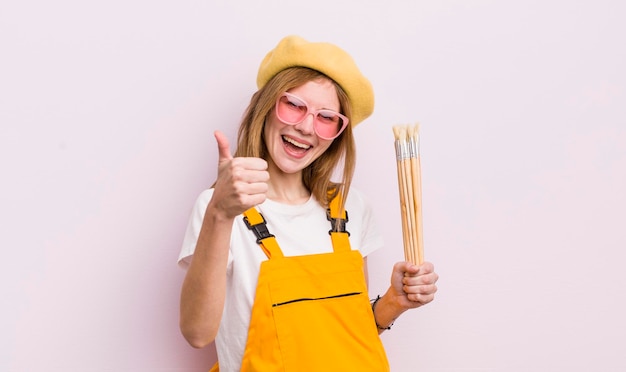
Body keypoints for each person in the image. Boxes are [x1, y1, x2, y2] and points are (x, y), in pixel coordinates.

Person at [178, 35, 438, 372]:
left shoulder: (350, 208)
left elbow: (347, 333)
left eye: (326, 117)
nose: (304, 127)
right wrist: (220, 214)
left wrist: (393, 301)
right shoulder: (218, 208)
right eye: (294, 105)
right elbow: (197, 333)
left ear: (337, 134)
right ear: (266, 106)